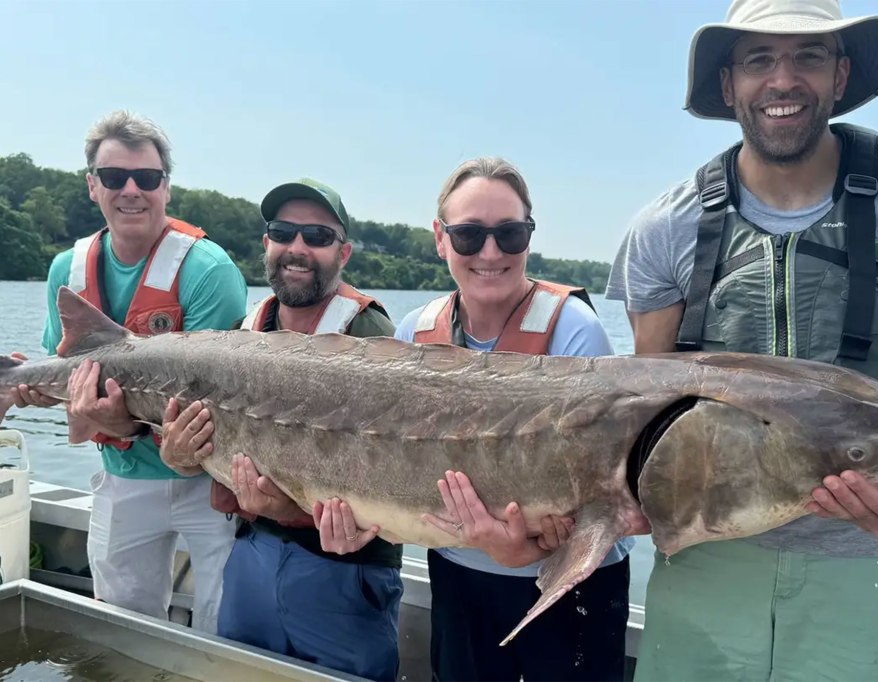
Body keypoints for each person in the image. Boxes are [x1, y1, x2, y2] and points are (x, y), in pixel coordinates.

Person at [606, 1, 878, 680]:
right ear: (729, 84)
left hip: (870, 563)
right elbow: (650, 411)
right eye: (759, 59)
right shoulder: (662, 228)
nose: (783, 79)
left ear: (841, 75)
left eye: (808, 56)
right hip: (705, 560)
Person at [326, 156, 631, 682]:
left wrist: (532, 547)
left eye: (509, 234)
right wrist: (353, 525)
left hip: (568, 585)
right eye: (469, 236)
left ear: (529, 237)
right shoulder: (411, 333)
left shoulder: (574, 332)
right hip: (459, 578)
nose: (491, 253)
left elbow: (608, 493)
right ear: (440, 239)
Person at [3, 110, 248, 632]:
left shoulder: (210, 270)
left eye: (147, 178)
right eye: (114, 178)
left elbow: (218, 403)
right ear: (93, 186)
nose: (131, 190)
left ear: (167, 187)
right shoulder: (65, 270)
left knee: (224, 624)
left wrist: (117, 422)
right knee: (120, 625)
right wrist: (31, 390)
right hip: (123, 478)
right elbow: (70, 380)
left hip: (208, 481)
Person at [159, 178, 404, 682]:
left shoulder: (371, 334)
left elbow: (394, 467)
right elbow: (200, 442)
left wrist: (292, 510)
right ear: (266, 243)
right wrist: (179, 454)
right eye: (283, 231)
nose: (298, 248)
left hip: (342, 571)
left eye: (317, 235)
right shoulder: (244, 330)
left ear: (344, 252)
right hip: (250, 552)